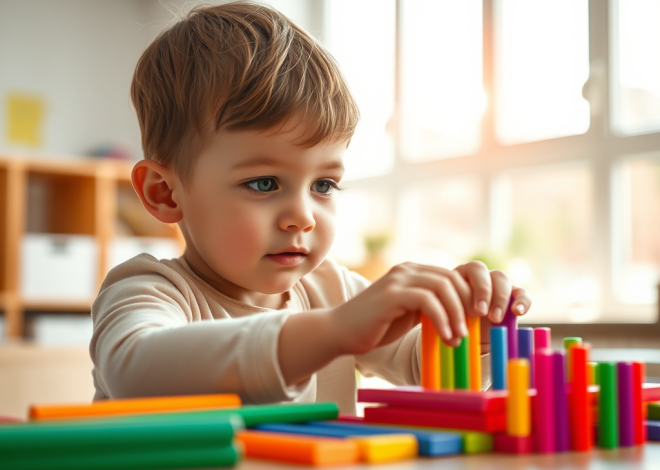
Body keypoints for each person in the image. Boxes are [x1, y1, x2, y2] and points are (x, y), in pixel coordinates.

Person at [90, 1, 531, 414]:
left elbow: (421, 365)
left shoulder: (330, 289)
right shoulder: (150, 290)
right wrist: (334, 331)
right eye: (263, 183)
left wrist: (472, 331)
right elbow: (135, 370)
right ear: (165, 193)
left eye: (324, 184)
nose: (302, 216)